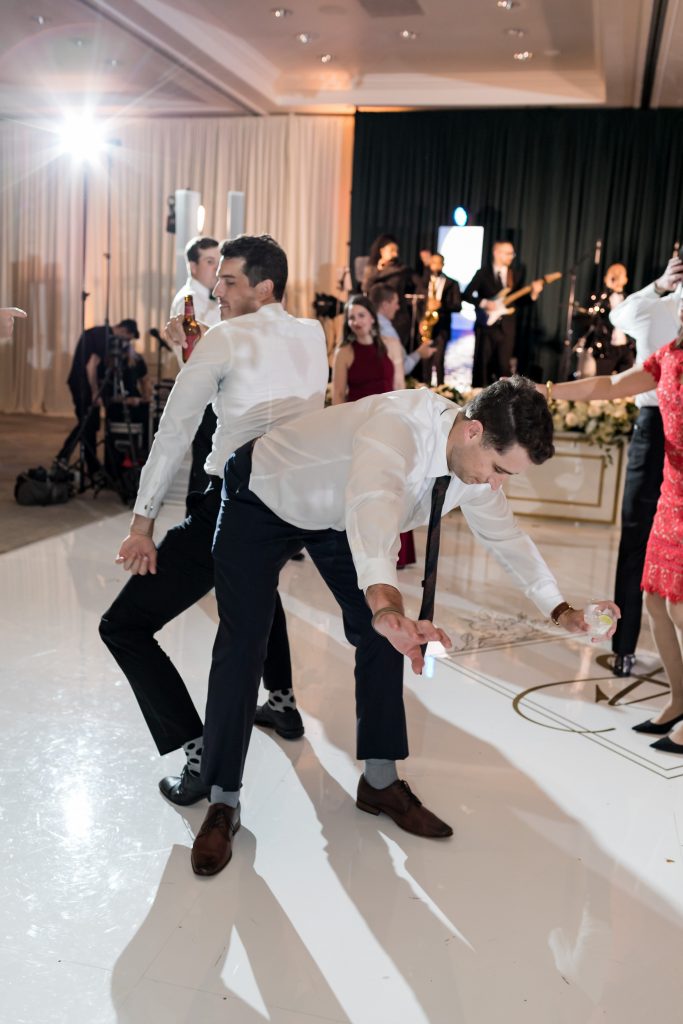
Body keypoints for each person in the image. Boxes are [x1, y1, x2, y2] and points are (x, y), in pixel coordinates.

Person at [191, 376, 618, 876]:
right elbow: (372, 508)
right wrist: (386, 604)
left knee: (384, 639)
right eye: (500, 470)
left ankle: (379, 780)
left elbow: (506, 536)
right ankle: (222, 800)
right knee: (244, 642)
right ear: (474, 431)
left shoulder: (473, 464)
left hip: (335, 517)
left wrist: (561, 610)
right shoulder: (397, 430)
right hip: (264, 493)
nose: (496, 484)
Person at [99, 235, 328, 806]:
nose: (216, 291)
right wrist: (199, 353)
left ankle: (199, 751)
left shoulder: (224, 338)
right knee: (256, 589)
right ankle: (282, 702)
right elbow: (259, 392)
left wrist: (142, 524)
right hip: (295, 510)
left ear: (264, 287)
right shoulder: (312, 333)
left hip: (233, 505)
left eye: (228, 281)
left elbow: (176, 429)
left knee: (123, 626)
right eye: (216, 278)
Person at [539, 294, 683, 752]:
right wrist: (547, 390)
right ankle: (679, 700)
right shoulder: (668, 356)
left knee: (681, 609)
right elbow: (610, 384)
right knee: (655, 601)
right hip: (672, 496)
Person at [606, 256, 683, 676]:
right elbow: (618, 316)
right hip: (653, 425)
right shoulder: (656, 306)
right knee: (635, 534)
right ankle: (624, 644)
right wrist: (658, 285)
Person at [332, 294, 414, 568]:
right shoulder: (344, 352)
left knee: (392, 487)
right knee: (363, 488)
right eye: (351, 317)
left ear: (372, 318)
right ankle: (362, 551)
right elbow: (338, 396)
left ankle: (394, 552)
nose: (356, 321)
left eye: (361, 315)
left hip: (389, 423)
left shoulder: (391, 345)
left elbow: (399, 387)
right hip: (359, 427)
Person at [169, 236, 222, 498]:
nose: (216, 268)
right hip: (204, 394)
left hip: (212, 392)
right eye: (210, 261)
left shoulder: (210, 299)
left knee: (210, 468)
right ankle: (195, 519)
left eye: (218, 261)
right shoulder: (188, 301)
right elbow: (194, 353)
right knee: (204, 471)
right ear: (193, 266)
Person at [56, 319, 140, 480]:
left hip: (83, 384)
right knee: (86, 423)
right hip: (83, 385)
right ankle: (64, 457)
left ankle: (91, 466)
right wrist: (95, 392)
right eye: (127, 338)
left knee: (90, 425)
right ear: (124, 330)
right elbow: (91, 366)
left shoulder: (100, 333)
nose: (125, 343)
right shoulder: (103, 336)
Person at [463, 241, 544, 386]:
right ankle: (479, 395)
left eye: (512, 253)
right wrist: (484, 303)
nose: (511, 256)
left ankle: (503, 396)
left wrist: (534, 294)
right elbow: (466, 295)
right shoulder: (483, 273)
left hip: (507, 327)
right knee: (482, 365)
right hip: (486, 326)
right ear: (496, 253)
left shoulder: (515, 274)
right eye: (508, 253)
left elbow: (519, 302)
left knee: (503, 366)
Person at [574, 263, 636, 378]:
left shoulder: (628, 299)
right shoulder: (602, 298)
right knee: (603, 381)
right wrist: (608, 290)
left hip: (625, 347)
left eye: (620, 274)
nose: (617, 277)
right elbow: (594, 316)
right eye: (614, 274)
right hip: (606, 348)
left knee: (625, 380)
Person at [369, 283, 436, 377]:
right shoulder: (387, 331)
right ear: (385, 305)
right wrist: (419, 353)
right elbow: (403, 367)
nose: (398, 307)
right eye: (396, 303)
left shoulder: (366, 326)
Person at [361, 234, 416, 346]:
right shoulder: (372, 269)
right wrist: (378, 270)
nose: (395, 254)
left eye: (396, 251)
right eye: (392, 250)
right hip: (376, 316)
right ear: (382, 251)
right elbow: (365, 288)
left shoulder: (400, 269)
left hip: (396, 316)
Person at [420, 252, 462, 385]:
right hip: (425, 326)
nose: (436, 266)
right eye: (433, 262)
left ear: (443, 265)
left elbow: (458, 306)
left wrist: (441, 305)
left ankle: (440, 388)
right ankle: (424, 387)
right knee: (425, 360)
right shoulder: (423, 282)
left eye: (438, 263)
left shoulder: (452, 283)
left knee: (439, 361)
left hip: (442, 327)